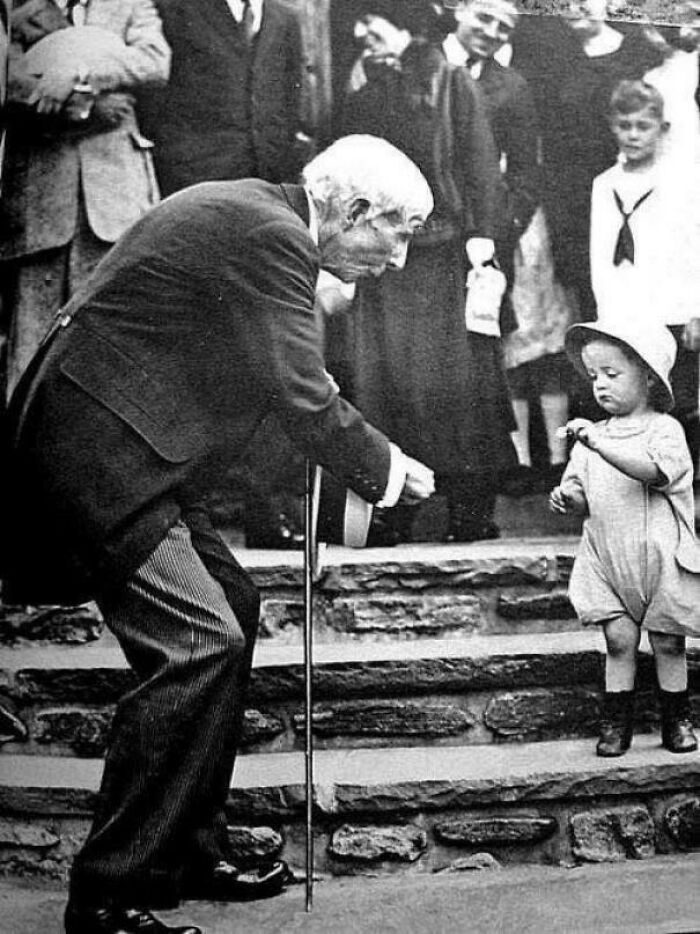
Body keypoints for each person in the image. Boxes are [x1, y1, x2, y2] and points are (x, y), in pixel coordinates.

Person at [0, 135, 436, 934]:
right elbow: (300, 393)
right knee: (200, 640)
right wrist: (385, 467)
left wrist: (310, 293)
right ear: (353, 211)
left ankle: (188, 850)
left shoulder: (261, 219)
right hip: (101, 454)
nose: (401, 258)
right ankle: (107, 895)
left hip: (139, 448)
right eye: (399, 231)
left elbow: (258, 366)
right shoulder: (271, 235)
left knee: (228, 607)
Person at [139, 0, 314, 549]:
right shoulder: (178, 10)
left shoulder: (285, 20)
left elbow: (287, 105)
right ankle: (197, 508)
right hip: (200, 198)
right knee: (198, 351)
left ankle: (269, 509)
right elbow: (156, 106)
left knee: (271, 349)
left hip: (266, 204)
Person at [341, 0, 517, 543]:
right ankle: (396, 503)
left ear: (403, 28)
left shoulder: (451, 82)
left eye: (372, 22)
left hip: (443, 257)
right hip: (387, 258)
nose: (362, 32)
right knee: (389, 381)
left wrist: (482, 240)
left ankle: (468, 508)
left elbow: (482, 166)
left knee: (453, 384)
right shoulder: (367, 87)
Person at [0, 0, 170, 399]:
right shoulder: (20, 9)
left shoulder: (130, 4)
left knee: (114, 343)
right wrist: (81, 106)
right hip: (40, 202)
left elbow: (155, 61)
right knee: (31, 348)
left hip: (116, 200)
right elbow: (6, 77)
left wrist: (81, 74)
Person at [549, 317, 699, 758]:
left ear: (649, 377)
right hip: (608, 556)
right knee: (617, 639)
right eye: (594, 376)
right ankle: (617, 722)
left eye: (612, 375)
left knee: (668, 639)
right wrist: (567, 497)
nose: (600, 386)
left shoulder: (663, 430)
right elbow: (581, 489)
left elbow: (654, 473)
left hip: (660, 558)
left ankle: (677, 716)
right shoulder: (591, 440)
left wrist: (598, 444)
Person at [444, 0, 575, 496]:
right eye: (484, 17)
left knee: (497, 343)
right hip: (429, 230)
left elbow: (525, 171)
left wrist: (500, 227)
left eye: (505, 26)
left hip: (489, 233)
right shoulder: (425, 67)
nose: (491, 31)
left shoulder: (510, 86)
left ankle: (496, 469)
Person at [590, 80, 700, 473]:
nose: (633, 135)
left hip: (672, 310)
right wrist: (608, 320)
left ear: (661, 129)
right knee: (635, 404)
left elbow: (694, 245)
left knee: (682, 403)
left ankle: (689, 488)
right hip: (626, 313)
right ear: (612, 127)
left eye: (642, 126)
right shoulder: (604, 185)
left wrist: (695, 308)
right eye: (625, 125)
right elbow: (599, 256)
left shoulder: (681, 182)